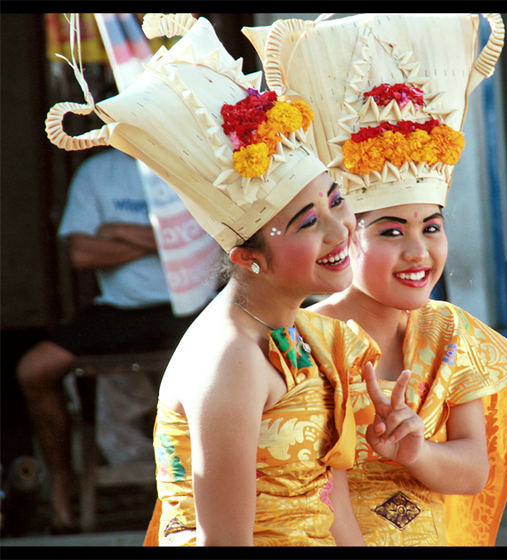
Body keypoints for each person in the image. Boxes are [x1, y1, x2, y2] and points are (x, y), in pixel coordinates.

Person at [45, 13, 392, 545]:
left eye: (337, 200)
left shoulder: (306, 334)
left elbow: (332, 507)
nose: (338, 229)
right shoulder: (230, 358)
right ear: (248, 257)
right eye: (306, 222)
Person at [245, 12, 507, 546]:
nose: (418, 251)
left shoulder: (448, 331)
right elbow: (301, 492)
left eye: (431, 227)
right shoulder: (301, 342)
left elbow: (474, 470)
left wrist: (417, 451)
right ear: (342, 238)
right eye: (389, 231)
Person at [15, 147, 196, 534]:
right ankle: (63, 503)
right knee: (34, 370)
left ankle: (218, 500)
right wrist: (164, 240)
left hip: (187, 307)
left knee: (235, 365)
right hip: (119, 308)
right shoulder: (98, 172)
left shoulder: (188, 158)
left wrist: (116, 231)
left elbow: (209, 241)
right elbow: (81, 253)